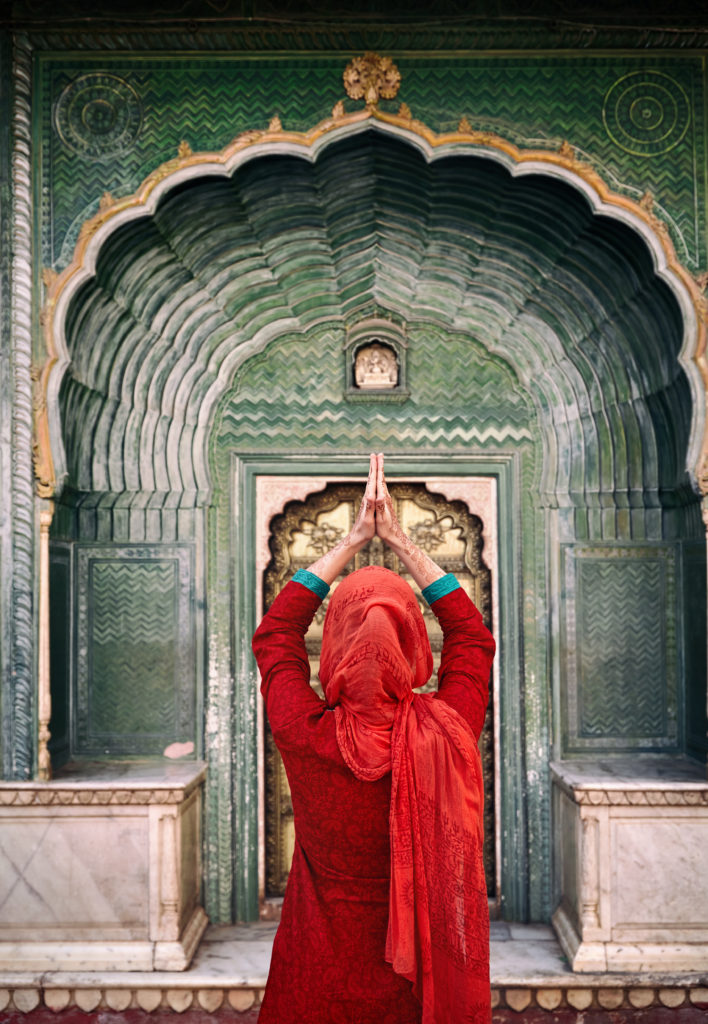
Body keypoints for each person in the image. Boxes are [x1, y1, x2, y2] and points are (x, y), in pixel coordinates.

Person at [252, 453, 496, 1024]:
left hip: (318, 978)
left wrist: (353, 540)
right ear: (414, 643)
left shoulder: (304, 733)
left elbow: (276, 634)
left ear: (334, 642)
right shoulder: (446, 730)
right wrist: (402, 543)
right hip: (416, 990)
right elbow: (472, 638)